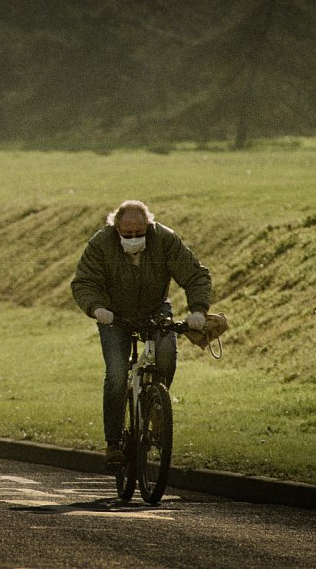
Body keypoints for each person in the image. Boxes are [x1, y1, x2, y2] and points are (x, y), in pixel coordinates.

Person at [71, 200, 212, 469]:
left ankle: (156, 410)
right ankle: (113, 443)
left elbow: (195, 275)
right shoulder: (101, 244)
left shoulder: (164, 240)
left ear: (148, 226)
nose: (134, 239)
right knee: (115, 373)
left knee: (168, 353)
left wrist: (198, 311)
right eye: (127, 234)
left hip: (155, 310)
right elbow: (84, 282)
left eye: (140, 233)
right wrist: (97, 307)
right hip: (114, 315)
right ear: (116, 229)